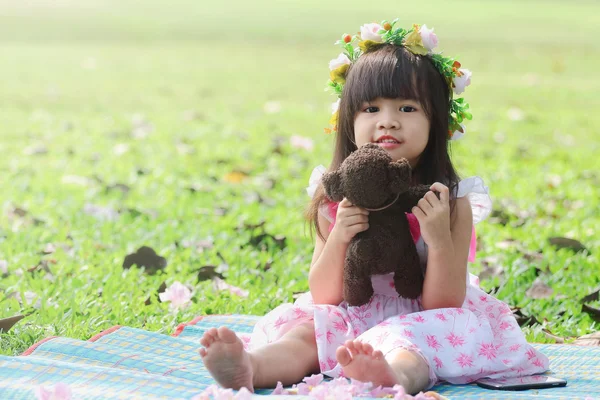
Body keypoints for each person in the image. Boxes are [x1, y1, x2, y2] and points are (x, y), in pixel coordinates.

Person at [198, 19, 549, 394]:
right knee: (304, 335)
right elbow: (324, 295)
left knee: (411, 346)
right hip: (351, 311)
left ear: (438, 120)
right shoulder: (336, 196)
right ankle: (252, 366)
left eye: (408, 108)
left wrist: (439, 240)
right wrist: (339, 237)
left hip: (423, 319)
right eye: (371, 108)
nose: (388, 121)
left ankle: (391, 376)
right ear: (348, 120)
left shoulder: (451, 199)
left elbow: (444, 303)